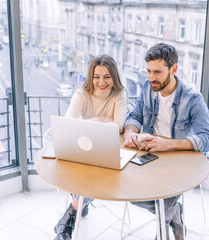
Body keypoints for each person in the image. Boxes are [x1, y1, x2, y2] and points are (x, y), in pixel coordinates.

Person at [123, 43, 209, 240]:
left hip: (179, 163)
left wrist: (169, 144)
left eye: (157, 72)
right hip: (149, 156)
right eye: (148, 71)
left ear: (174, 69)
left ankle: (163, 228)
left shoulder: (192, 98)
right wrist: (130, 132)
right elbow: (135, 116)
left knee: (163, 204)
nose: (151, 78)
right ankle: (175, 214)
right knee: (129, 192)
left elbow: (208, 139)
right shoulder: (148, 88)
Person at [54, 54, 127, 240]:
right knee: (79, 170)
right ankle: (81, 204)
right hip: (84, 148)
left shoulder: (119, 94)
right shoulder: (81, 94)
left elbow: (119, 124)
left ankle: (69, 219)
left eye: (107, 76)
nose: (101, 82)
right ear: (90, 77)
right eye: (97, 76)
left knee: (92, 175)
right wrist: (101, 120)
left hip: (107, 148)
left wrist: (91, 124)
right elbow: (68, 123)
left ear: (114, 77)